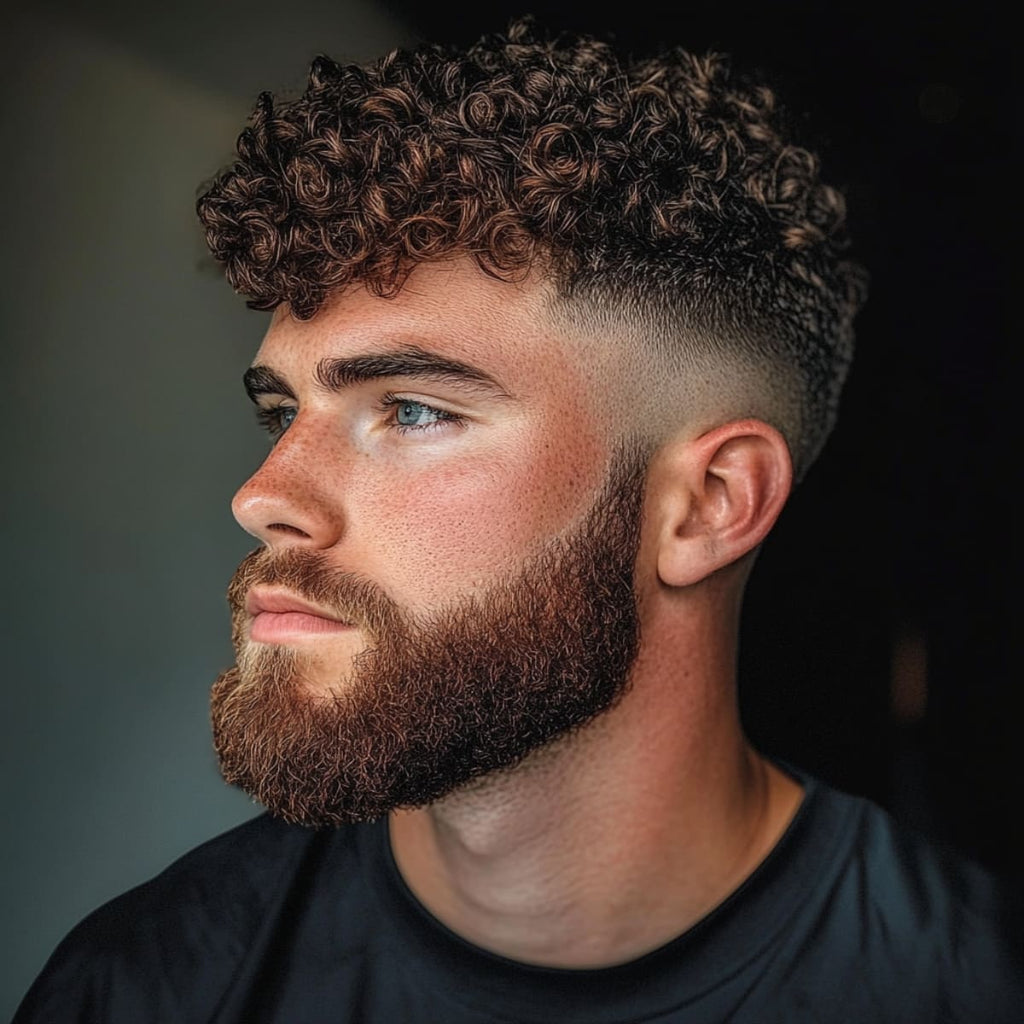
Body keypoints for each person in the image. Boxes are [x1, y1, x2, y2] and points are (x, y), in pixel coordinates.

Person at [14, 17, 1022, 1024]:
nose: (264, 494)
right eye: (283, 410)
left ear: (708, 505)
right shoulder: (147, 985)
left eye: (411, 410)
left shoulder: (969, 982)